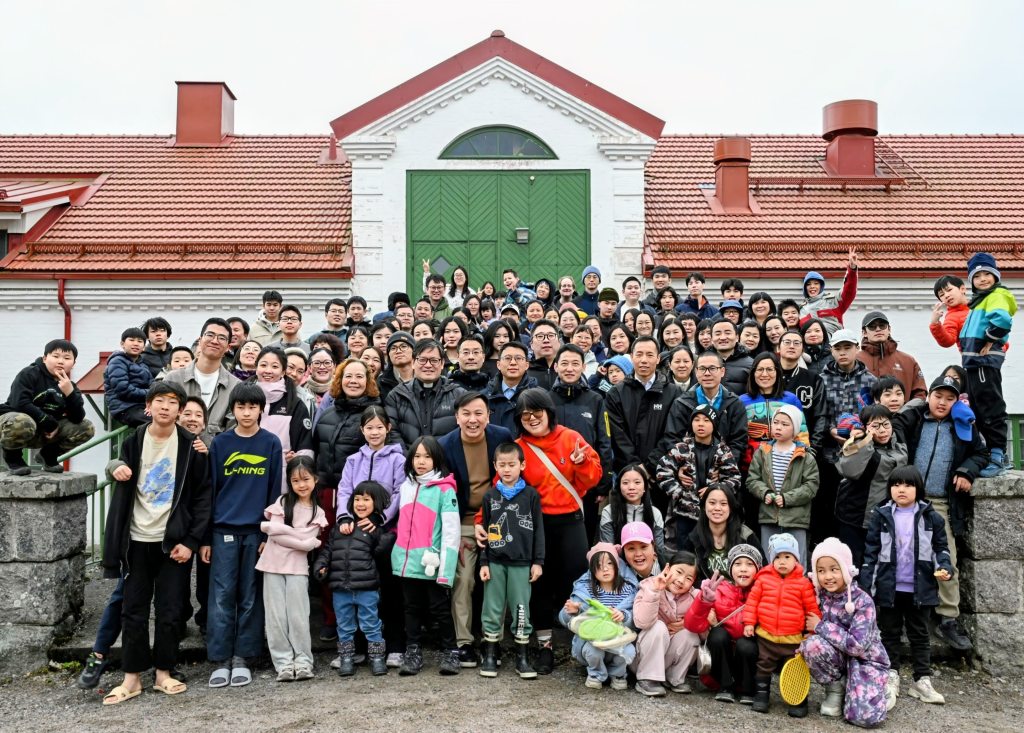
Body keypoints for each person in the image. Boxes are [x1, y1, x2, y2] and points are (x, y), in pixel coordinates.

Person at [98, 381, 211, 705]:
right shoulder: (133, 441)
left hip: (173, 543)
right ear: (148, 407)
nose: (165, 406)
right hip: (136, 540)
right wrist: (115, 466)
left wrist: (190, 541)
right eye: (159, 400)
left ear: (180, 410)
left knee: (170, 610)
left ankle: (164, 672)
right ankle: (131, 677)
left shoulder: (192, 447)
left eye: (172, 402)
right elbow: (117, 466)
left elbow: (203, 498)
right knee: (133, 609)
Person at [504, 388, 603, 675]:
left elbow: (593, 478)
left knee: (578, 580)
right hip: (535, 525)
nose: (532, 419)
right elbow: (502, 485)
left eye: (537, 412)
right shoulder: (518, 448)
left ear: (549, 412)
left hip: (571, 521)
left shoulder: (571, 438)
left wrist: (582, 463)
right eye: (525, 415)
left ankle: (584, 642)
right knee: (539, 584)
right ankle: (544, 646)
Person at [891, 375, 986, 653]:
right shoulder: (915, 419)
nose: (942, 402)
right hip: (908, 501)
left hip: (942, 503)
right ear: (929, 396)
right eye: (938, 396)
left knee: (947, 560)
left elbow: (981, 454)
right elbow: (893, 424)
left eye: (950, 398)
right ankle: (901, 615)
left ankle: (947, 618)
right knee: (901, 557)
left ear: (957, 401)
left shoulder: (963, 426)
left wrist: (966, 471)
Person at [201, 383, 283, 689]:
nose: (246, 413)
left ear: (261, 409)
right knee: (221, 596)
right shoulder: (221, 443)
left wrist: (268, 534)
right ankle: (220, 658)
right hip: (223, 530)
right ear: (232, 410)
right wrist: (206, 537)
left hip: (255, 532)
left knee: (250, 596)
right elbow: (210, 491)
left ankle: (243, 657)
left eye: (252, 407)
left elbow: (275, 493)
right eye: (241, 407)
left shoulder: (271, 443)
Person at [861, 466, 955, 709]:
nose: (901, 489)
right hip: (889, 587)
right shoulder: (881, 515)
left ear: (918, 488)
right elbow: (871, 554)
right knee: (889, 633)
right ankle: (891, 675)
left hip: (920, 587)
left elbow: (940, 549)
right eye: (896, 484)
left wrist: (945, 567)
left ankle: (922, 680)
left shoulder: (931, 517)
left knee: (919, 634)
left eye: (907, 485)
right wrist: (866, 587)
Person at [438, 392, 514, 668]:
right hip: (462, 522)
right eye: (466, 414)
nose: (473, 420)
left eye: (479, 413)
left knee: (497, 579)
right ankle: (464, 642)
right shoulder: (444, 445)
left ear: (488, 416)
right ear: (457, 417)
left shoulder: (501, 437)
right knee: (464, 579)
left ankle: (493, 639)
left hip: (497, 520)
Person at [798, 538, 889, 726]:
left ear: (846, 569)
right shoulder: (817, 597)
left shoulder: (863, 601)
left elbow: (857, 646)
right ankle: (836, 689)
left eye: (834, 569)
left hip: (865, 660)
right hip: (837, 658)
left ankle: (879, 692)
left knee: (863, 718)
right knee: (811, 645)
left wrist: (820, 626)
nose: (828, 576)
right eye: (821, 571)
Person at [391, 436, 461, 676]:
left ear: (437, 459)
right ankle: (413, 652)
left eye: (427, 456)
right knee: (411, 608)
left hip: (432, 562)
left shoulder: (445, 489)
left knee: (440, 609)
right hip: (406, 561)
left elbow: (451, 531)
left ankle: (451, 651)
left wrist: (446, 570)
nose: (421, 461)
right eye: (417, 456)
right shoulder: (406, 486)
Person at [477, 442, 545, 679]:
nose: (507, 469)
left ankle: (522, 657)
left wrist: (538, 561)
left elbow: (539, 530)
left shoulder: (531, 495)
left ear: (522, 465)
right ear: (495, 466)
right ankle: (490, 654)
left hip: (522, 563)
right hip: (495, 561)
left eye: (512, 464)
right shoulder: (490, 496)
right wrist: (483, 563)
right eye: (502, 465)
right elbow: (485, 533)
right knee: (492, 608)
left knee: (521, 608)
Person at [315, 480, 395, 677]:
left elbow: (380, 553)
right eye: (357, 499)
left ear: (377, 503)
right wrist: (321, 566)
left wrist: (385, 539)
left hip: (366, 587)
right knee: (344, 625)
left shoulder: (376, 530)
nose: (360, 503)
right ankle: (346, 658)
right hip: (340, 588)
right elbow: (328, 551)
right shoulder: (340, 528)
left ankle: (377, 657)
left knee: (371, 623)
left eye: (366, 500)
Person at [258, 456, 327, 682]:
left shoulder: (317, 512)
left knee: (298, 616)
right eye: (295, 481)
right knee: (276, 617)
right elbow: (277, 536)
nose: (301, 485)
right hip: (272, 564)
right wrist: (303, 542)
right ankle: (283, 664)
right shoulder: (282, 501)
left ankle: (303, 661)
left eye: (306, 479)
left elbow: (279, 532)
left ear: (315, 479)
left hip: (297, 568)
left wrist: (280, 530)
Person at [743, 532, 822, 717]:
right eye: (777, 557)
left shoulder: (803, 583)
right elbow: (752, 602)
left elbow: (811, 608)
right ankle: (761, 695)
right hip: (766, 636)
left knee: (795, 668)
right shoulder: (763, 579)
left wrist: (812, 631)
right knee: (763, 665)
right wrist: (749, 623)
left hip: (792, 639)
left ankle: (798, 700)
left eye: (787, 556)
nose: (782, 561)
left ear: (796, 559)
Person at [815, 328, 877, 545]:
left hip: (859, 453)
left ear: (857, 348)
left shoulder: (870, 380)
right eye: (838, 348)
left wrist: (861, 433)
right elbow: (818, 413)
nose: (843, 352)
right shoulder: (821, 379)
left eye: (847, 347)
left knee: (853, 507)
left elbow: (874, 413)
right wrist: (830, 430)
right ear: (831, 351)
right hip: (829, 453)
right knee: (827, 505)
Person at [959, 251, 1017, 476]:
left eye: (986, 274)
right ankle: (990, 453)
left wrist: (990, 340)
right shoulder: (980, 300)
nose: (982, 279)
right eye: (976, 276)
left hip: (985, 361)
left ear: (996, 276)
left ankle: (998, 455)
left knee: (990, 406)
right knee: (978, 407)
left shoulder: (997, 295)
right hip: (975, 362)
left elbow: (1002, 321)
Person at [1, 338, 95, 475]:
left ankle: (48, 455)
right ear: (45, 358)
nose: (61, 361)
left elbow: (77, 417)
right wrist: (48, 421)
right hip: (15, 427)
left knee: (86, 427)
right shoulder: (29, 373)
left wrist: (70, 393)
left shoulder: (69, 386)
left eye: (67, 358)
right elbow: (19, 403)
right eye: (55, 356)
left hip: (47, 433)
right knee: (21, 421)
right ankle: (13, 459)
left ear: (73, 364)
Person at [550, 343, 614, 540]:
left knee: (584, 538)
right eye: (564, 363)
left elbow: (604, 441)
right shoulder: (546, 399)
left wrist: (603, 484)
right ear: (556, 366)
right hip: (552, 483)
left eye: (575, 363)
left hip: (587, 484)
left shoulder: (595, 400)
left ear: (584, 367)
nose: (569, 368)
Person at [684, 544, 761, 704]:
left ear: (758, 569)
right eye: (738, 564)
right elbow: (692, 625)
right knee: (718, 634)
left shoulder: (764, 593)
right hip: (722, 657)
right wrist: (704, 601)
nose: (743, 569)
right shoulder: (719, 590)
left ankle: (747, 689)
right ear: (731, 569)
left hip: (748, 656)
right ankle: (725, 686)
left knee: (745, 643)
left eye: (749, 564)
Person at [657, 403, 742, 546]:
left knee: (709, 548)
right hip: (685, 512)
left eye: (706, 420)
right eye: (696, 420)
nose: (700, 424)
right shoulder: (682, 448)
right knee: (685, 551)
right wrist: (679, 492)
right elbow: (662, 471)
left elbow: (735, 478)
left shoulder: (722, 450)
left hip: (713, 514)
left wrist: (715, 489)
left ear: (714, 424)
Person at [746, 405, 819, 567]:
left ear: (795, 429)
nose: (778, 427)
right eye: (776, 422)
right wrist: (764, 493)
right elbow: (752, 479)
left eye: (785, 424)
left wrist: (786, 498)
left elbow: (811, 486)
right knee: (769, 561)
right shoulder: (762, 452)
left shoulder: (805, 456)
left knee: (797, 563)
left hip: (796, 519)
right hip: (768, 516)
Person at [835, 405, 908, 565]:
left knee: (879, 566)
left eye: (886, 424)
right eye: (875, 425)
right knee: (852, 565)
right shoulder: (859, 443)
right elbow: (849, 470)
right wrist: (866, 440)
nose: (882, 430)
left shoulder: (899, 445)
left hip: (886, 517)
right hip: (855, 515)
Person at [559, 543, 638, 689]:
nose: (605, 569)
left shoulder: (628, 590)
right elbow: (565, 618)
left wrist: (624, 615)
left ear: (617, 565)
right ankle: (596, 673)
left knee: (628, 651)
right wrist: (574, 611)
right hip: (593, 640)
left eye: (609, 563)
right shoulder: (586, 590)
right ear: (592, 570)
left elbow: (636, 616)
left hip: (618, 639)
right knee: (593, 651)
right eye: (599, 565)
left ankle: (618, 674)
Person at [605, 337, 683, 483]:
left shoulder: (673, 392)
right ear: (632, 357)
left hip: (663, 474)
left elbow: (673, 434)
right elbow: (617, 436)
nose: (644, 360)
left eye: (650, 355)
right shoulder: (616, 393)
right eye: (639, 354)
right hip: (627, 475)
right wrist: (636, 469)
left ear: (658, 358)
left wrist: (649, 467)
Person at [631, 551, 701, 697]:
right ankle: (647, 678)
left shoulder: (694, 597)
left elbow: (704, 632)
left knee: (691, 635)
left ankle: (674, 677)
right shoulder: (649, 585)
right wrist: (655, 591)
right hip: (641, 657)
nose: (681, 580)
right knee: (658, 627)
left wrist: (689, 621)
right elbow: (642, 622)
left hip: (666, 659)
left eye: (688, 578)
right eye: (679, 572)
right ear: (668, 568)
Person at [662, 351, 748, 468]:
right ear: (696, 371)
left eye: (712, 368)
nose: (707, 373)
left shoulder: (734, 403)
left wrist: (724, 467)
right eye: (702, 369)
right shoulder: (682, 403)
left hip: (724, 469)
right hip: (690, 469)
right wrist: (684, 466)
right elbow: (673, 438)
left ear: (722, 371)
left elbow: (739, 441)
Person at [163, 318, 241, 435]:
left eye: (221, 338)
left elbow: (233, 429)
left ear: (228, 347)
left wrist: (209, 444)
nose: (215, 341)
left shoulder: (235, 386)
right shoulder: (173, 379)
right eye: (210, 335)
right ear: (200, 340)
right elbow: (163, 417)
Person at [385, 340, 466, 447]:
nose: (428, 365)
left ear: (442, 363)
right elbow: (392, 432)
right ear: (413, 362)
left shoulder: (459, 395)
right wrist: (410, 456)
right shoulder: (396, 396)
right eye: (422, 360)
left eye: (434, 360)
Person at [739, 353, 809, 472]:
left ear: (777, 372)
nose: (764, 374)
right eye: (760, 369)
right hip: (751, 467)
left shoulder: (791, 400)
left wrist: (802, 458)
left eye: (770, 369)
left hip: (785, 466)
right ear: (753, 373)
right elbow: (738, 437)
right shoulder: (742, 401)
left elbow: (801, 434)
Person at [681, 486, 761, 582]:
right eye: (712, 503)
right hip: (706, 591)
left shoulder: (746, 536)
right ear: (704, 506)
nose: (717, 508)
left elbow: (762, 571)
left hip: (742, 591)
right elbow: (684, 573)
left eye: (723, 504)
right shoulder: (694, 538)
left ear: (731, 508)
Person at [599, 464, 666, 562]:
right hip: (618, 565)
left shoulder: (655, 513)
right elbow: (608, 551)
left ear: (645, 487)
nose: (631, 487)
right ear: (619, 486)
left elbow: (659, 550)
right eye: (625, 483)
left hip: (646, 564)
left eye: (637, 482)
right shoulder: (609, 511)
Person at [777, 330, 827, 457]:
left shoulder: (814, 379)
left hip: (804, 447)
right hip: (772, 446)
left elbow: (820, 415)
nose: (792, 346)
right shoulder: (768, 376)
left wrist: (814, 447)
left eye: (796, 343)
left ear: (802, 349)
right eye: (787, 342)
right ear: (778, 347)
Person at [857, 311, 927, 400]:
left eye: (882, 325)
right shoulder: (855, 360)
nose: (878, 329)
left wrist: (907, 409)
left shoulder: (908, 360)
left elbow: (920, 393)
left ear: (889, 329)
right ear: (864, 332)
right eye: (872, 327)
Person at [799, 247, 859, 335]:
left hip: (833, 342)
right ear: (805, 288)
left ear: (821, 286)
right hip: (811, 343)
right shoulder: (801, 310)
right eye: (808, 284)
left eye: (816, 283)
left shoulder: (833, 301)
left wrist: (852, 269)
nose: (812, 287)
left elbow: (849, 291)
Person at [104, 327, 154, 428]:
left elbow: (153, 385)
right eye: (131, 340)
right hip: (124, 408)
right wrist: (149, 393)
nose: (135, 344)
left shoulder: (143, 365)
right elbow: (123, 390)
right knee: (158, 421)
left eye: (140, 341)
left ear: (144, 347)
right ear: (122, 344)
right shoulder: (117, 361)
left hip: (142, 406)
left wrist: (153, 397)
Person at [485, 341, 537, 435]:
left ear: (527, 365)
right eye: (507, 358)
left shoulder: (538, 396)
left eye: (518, 358)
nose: (513, 363)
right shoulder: (485, 397)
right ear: (498, 364)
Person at [710, 319, 752, 395]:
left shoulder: (751, 364)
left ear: (737, 337)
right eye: (718, 334)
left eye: (727, 333)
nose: (723, 337)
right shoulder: (702, 363)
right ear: (712, 339)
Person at [378, 331, 416, 402]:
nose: (398, 351)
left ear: (414, 351)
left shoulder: (425, 377)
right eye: (393, 348)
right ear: (389, 354)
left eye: (403, 346)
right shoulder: (381, 383)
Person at [526, 320, 560, 389]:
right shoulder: (523, 372)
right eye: (540, 336)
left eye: (551, 335)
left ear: (559, 342)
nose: (546, 340)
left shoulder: (569, 370)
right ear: (531, 344)